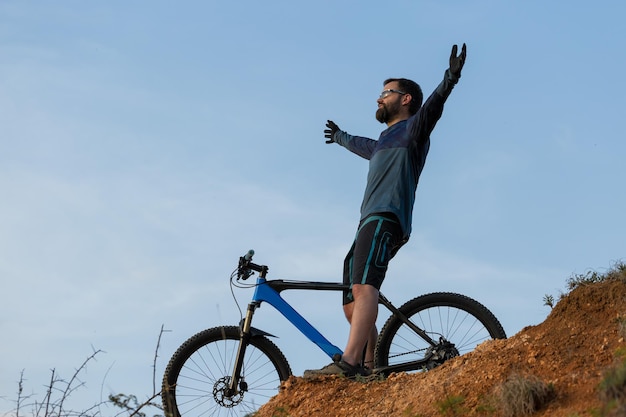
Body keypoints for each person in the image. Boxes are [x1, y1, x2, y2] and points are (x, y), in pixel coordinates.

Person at [303, 43, 467, 379]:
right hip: (368, 222)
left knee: (365, 288)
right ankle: (368, 367)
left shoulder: (414, 130)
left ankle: (348, 363)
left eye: (386, 92)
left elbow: (434, 107)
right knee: (351, 302)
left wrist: (449, 79)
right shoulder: (382, 141)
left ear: (405, 99)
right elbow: (359, 144)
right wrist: (339, 137)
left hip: (386, 218)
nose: (379, 98)